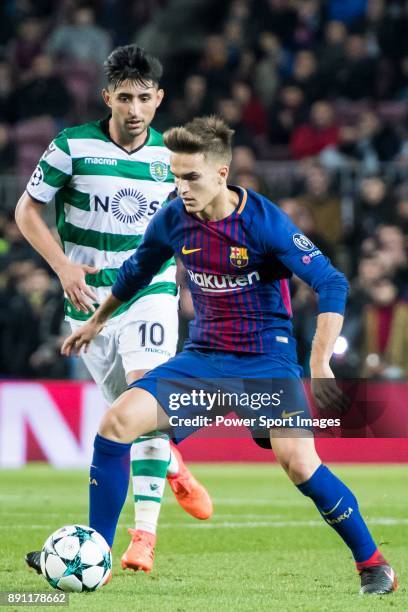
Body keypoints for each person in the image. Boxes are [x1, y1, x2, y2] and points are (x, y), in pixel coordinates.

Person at [62, 115, 397, 595]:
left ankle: (372, 564)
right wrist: (97, 321)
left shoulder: (263, 222)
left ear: (222, 173)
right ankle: (95, 551)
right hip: (204, 360)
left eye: (192, 177)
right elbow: (137, 271)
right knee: (116, 423)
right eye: (176, 177)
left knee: (300, 463)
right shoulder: (174, 218)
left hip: (265, 363)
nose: (182, 188)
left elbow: (331, 281)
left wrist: (320, 364)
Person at [15, 44, 212, 574]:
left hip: (148, 290)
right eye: (123, 97)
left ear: (158, 99)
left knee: (144, 391)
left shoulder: (172, 158)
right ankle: (170, 458)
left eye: (143, 98)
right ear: (107, 97)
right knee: (133, 419)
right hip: (88, 301)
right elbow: (27, 210)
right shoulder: (70, 146)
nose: (133, 109)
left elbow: (195, 222)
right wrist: (61, 266)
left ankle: (141, 538)